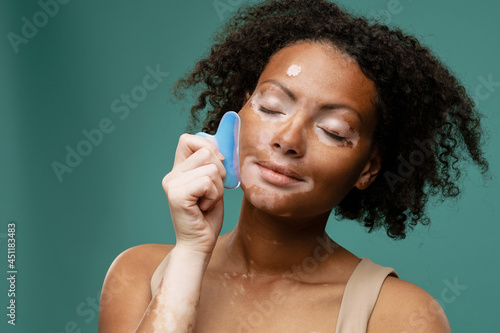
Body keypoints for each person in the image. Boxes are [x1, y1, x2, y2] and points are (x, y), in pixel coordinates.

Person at [98, 0, 489, 332]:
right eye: (270, 108)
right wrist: (190, 253)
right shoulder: (138, 275)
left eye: (334, 131)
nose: (288, 138)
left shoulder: (400, 316)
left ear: (368, 169)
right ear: (238, 115)